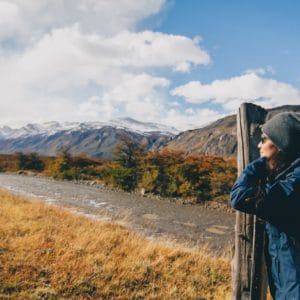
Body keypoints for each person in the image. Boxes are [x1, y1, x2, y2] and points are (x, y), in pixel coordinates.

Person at [230, 112, 300, 299]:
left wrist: (259, 164)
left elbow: (239, 196)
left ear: (280, 145)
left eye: (264, 140)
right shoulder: (287, 177)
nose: (259, 146)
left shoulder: (293, 186)